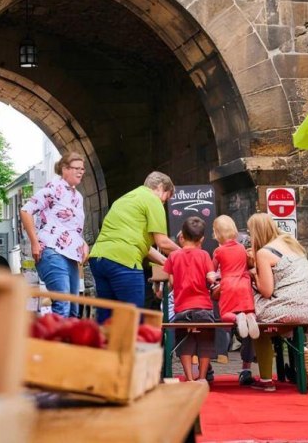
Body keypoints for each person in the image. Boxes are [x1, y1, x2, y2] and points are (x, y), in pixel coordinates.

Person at [88, 172, 181, 324]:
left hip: (99, 259)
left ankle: (107, 347)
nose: (164, 203)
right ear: (160, 187)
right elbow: (162, 242)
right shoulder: (153, 199)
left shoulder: (125, 199)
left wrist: (168, 262)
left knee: (107, 319)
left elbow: (143, 246)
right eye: (166, 198)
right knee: (134, 319)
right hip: (123, 261)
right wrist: (188, 253)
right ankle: (130, 347)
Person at [248, 213, 308, 393]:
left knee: (253, 317)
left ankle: (266, 379)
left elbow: (266, 291)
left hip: (291, 308)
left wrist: (253, 273)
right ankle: (297, 370)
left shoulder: (264, 253)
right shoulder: (291, 243)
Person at [21, 151, 88, 317]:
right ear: (64, 169)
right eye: (76, 168)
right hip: (52, 251)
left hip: (71, 255)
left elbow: (73, 227)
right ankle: (53, 341)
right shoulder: (53, 189)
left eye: (83, 169)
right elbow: (26, 211)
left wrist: (83, 243)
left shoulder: (77, 197)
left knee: (74, 309)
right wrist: (35, 243)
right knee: (63, 305)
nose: (81, 172)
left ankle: (68, 342)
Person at [163, 216, 216, 382]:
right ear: (201, 239)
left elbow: (170, 282)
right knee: (205, 341)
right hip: (203, 308)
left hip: (182, 309)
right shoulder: (204, 255)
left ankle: (190, 377)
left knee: (184, 341)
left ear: (182, 236)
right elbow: (211, 278)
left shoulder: (173, 256)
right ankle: (202, 376)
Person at [211, 215, 258, 340]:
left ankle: (237, 318)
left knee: (225, 314)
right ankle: (250, 317)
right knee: (248, 310)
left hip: (228, 285)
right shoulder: (242, 248)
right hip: (244, 284)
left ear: (216, 233)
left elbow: (212, 270)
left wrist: (211, 277)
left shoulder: (218, 251)